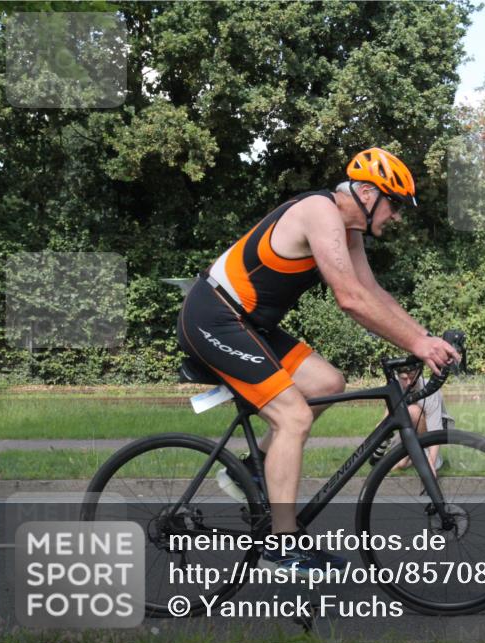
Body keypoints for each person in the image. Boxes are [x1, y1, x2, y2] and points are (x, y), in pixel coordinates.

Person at [177, 148, 461, 577]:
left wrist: (424, 338)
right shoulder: (319, 212)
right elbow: (349, 301)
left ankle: (252, 472)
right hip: (214, 316)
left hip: (251, 324)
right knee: (293, 417)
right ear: (367, 193)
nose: (397, 216)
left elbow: (372, 293)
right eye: (394, 204)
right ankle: (283, 546)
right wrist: (419, 346)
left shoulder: (348, 231)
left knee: (329, 382)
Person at [369, 364, 455, 473]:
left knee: (413, 411)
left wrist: (432, 463)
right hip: (408, 429)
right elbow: (387, 419)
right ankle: (411, 455)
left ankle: (427, 454)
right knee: (397, 466)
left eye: (412, 377)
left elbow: (435, 428)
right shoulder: (397, 387)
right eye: (404, 378)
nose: (409, 382)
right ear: (398, 376)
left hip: (433, 430)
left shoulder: (430, 390)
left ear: (418, 373)